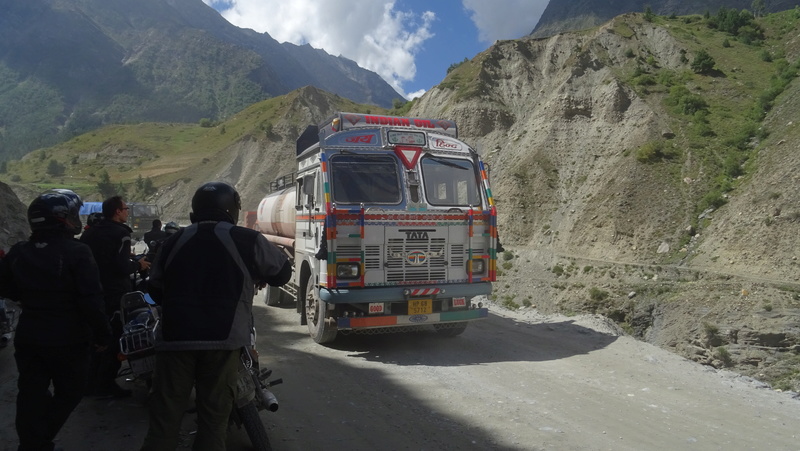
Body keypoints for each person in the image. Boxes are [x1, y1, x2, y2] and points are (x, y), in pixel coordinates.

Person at [141, 181, 291, 451]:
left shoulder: (172, 241)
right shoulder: (248, 239)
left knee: (164, 421)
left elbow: (154, 289)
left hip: (174, 340)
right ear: (232, 210)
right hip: (222, 343)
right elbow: (282, 273)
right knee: (213, 420)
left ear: (195, 210)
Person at [0, 189, 112, 451]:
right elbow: (91, 300)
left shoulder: (19, 251)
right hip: (69, 338)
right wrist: (103, 334)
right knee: (70, 391)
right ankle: (38, 442)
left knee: (30, 393)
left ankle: (32, 442)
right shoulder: (78, 252)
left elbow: (5, 287)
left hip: (29, 334)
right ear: (64, 218)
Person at [80, 195, 151, 398]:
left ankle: (90, 383)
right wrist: (139, 264)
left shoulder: (91, 233)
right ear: (117, 212)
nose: (128, 212)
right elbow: (120, 267)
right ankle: (105, 384)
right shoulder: (121, 234)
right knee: (115, 338)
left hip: (92, 292)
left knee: (95, 338)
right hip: (114, 294)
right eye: (126, 209)